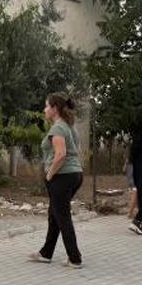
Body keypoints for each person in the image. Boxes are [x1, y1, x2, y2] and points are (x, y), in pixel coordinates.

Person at [28, 93, 85, 268]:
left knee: (62, 216)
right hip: (74, 174)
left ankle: (75, 258)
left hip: (62, 176)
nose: (44, 109)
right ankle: (46, 253)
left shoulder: (58, 128)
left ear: (54, 109)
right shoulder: (69, 127)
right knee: (55, 214)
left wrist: (49, 174)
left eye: (46, 106)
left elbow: (60, 155)